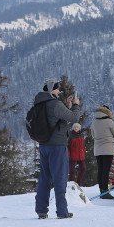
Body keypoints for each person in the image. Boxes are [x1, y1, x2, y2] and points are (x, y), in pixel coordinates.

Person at [32, 79, 82, 219]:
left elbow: (54, 119)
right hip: (57, 146)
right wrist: (76, 106)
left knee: (45, 178)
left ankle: (41, 210)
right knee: (59, 178)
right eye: (57, 89)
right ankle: (62, 211)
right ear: (51, 90)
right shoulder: (54, 104)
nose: (59, 91)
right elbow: (74, 118)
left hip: (44, 145)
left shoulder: (39, 103)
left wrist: (66, 105)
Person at [92, 105, 114, 199]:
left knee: (100, 170)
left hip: (97, 148)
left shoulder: (94, 121)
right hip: (108, 148)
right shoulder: (109, 121)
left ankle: (101, 190)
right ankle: (105, 192)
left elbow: (93, 135)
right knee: (106, 171)